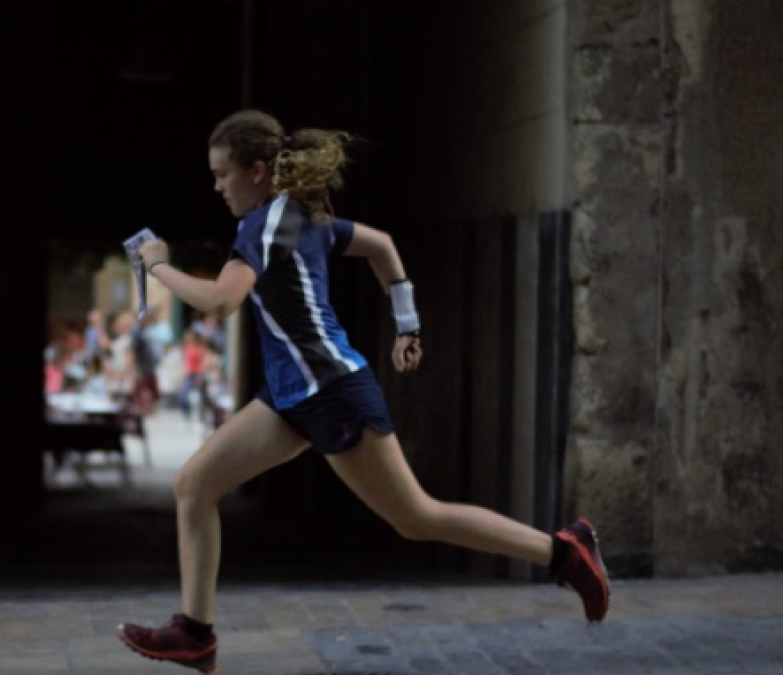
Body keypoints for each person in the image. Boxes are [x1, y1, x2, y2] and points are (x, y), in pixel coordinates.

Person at [116, 110, 610, 674]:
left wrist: (158, 267)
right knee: (195, 484)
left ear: (256, 171)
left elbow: (222, 301)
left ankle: (563, 551)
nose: (217, 186)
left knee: (417, 517)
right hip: (290, 397)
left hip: (332, 391)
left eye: (222, 174)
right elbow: (383, 245)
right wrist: (407, 325)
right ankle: (195, 634)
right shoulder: (300, 216)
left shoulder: (264, 224)